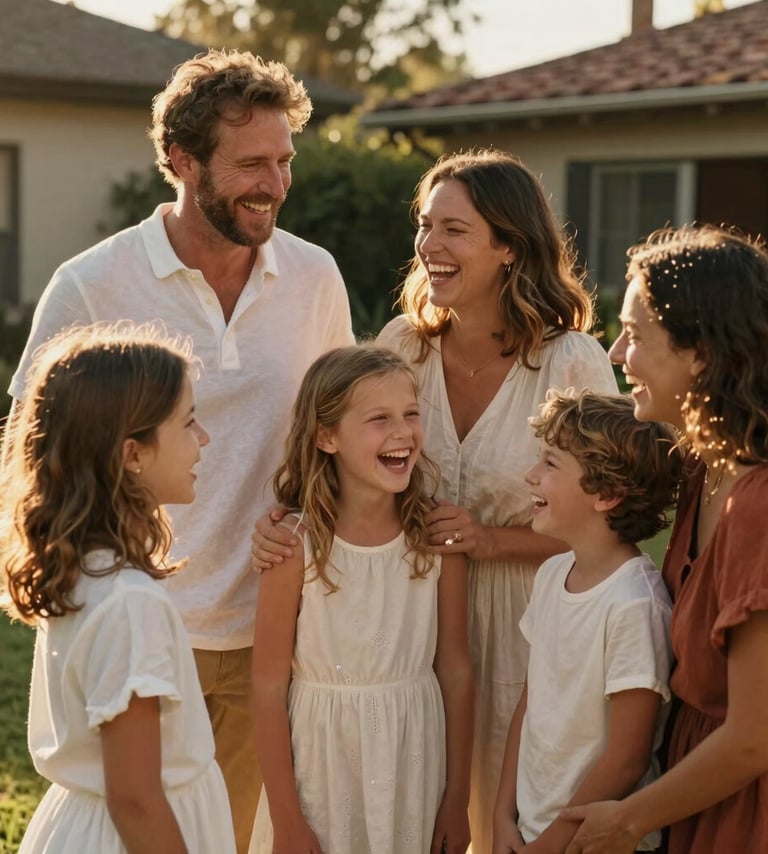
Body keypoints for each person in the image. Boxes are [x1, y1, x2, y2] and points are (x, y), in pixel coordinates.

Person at [7, 48, 354, 852]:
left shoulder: (315, 277)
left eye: (284, 161)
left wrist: (311, 519)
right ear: (183, 161)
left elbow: (334, 435)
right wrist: (69, 579)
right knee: (132, 821)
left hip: (273, 632)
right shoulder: (91, 284)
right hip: (141, 621)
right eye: (251, 164)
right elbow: (32, 454)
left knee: (226, 836)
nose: (275, 184)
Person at [253, 149, 618, 850]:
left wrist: (489, 540)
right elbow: (344, 449)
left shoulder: (572, 363)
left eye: (454, 229)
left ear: (509, 246)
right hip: (399, 623)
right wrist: (282, 520)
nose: (429, 245)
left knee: (511, 821)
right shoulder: (403, 345)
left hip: (526, 625)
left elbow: (609, 527)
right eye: (425, 225)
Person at [560, 224, 768, 854]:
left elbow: (754, 736)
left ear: (700, 352)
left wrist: (626, 820)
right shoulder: (704, 467)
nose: (616, 352)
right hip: (696, 790)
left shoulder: (757, 506)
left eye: (635, 334)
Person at [0, 322, 236, 853]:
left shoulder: (87, 571)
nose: (203, 438)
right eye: (188, 423)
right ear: (133, 454)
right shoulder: (129, 602)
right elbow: (135, 800)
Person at [248, 345, 474, 854]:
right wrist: (286, 819)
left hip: (412, 764)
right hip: (320, 773)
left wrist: (457, 799)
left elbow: (456, 671)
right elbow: (267, 687)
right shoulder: (294, 545)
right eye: (379, 419)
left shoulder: (435, 536)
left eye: (410, 414)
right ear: (326, 436)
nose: (402, 432)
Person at [492, 389, 680, 854]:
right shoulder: (553, 573)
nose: (530, 475)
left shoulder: (634, 604)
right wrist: (502, 814)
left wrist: (554, 843)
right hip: (532, 832)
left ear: (608, 495)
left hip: (595, 843)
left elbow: (628, 758)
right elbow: (530, 704)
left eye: (550, 464)